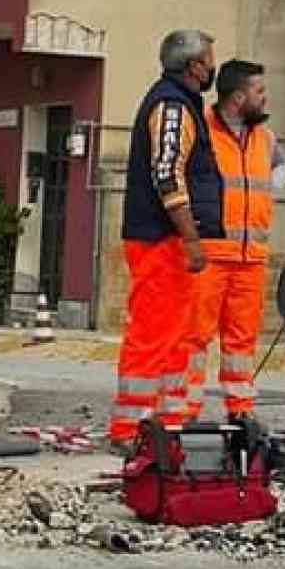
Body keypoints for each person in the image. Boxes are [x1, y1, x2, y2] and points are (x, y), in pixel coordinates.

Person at [115, 29, 223, 430]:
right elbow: (168, 176)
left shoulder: (179, 104)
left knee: (177, 335)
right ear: (195, 66)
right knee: (153, 333)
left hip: (168, 239)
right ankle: (131, 427)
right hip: (162, 239)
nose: (213, 67)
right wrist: (191, 238)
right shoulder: (173, 108)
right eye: (209, 59)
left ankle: (168, 422)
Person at [183, 60, 285, 420]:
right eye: (260, 92)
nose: (265, 98)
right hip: (210, 254)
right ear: (239, 97)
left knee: (241, 343)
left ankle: (240, 411)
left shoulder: (266, 137)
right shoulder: (202, 133)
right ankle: (185, 412)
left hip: (251, 258)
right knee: (194, 338)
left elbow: (278, 170)